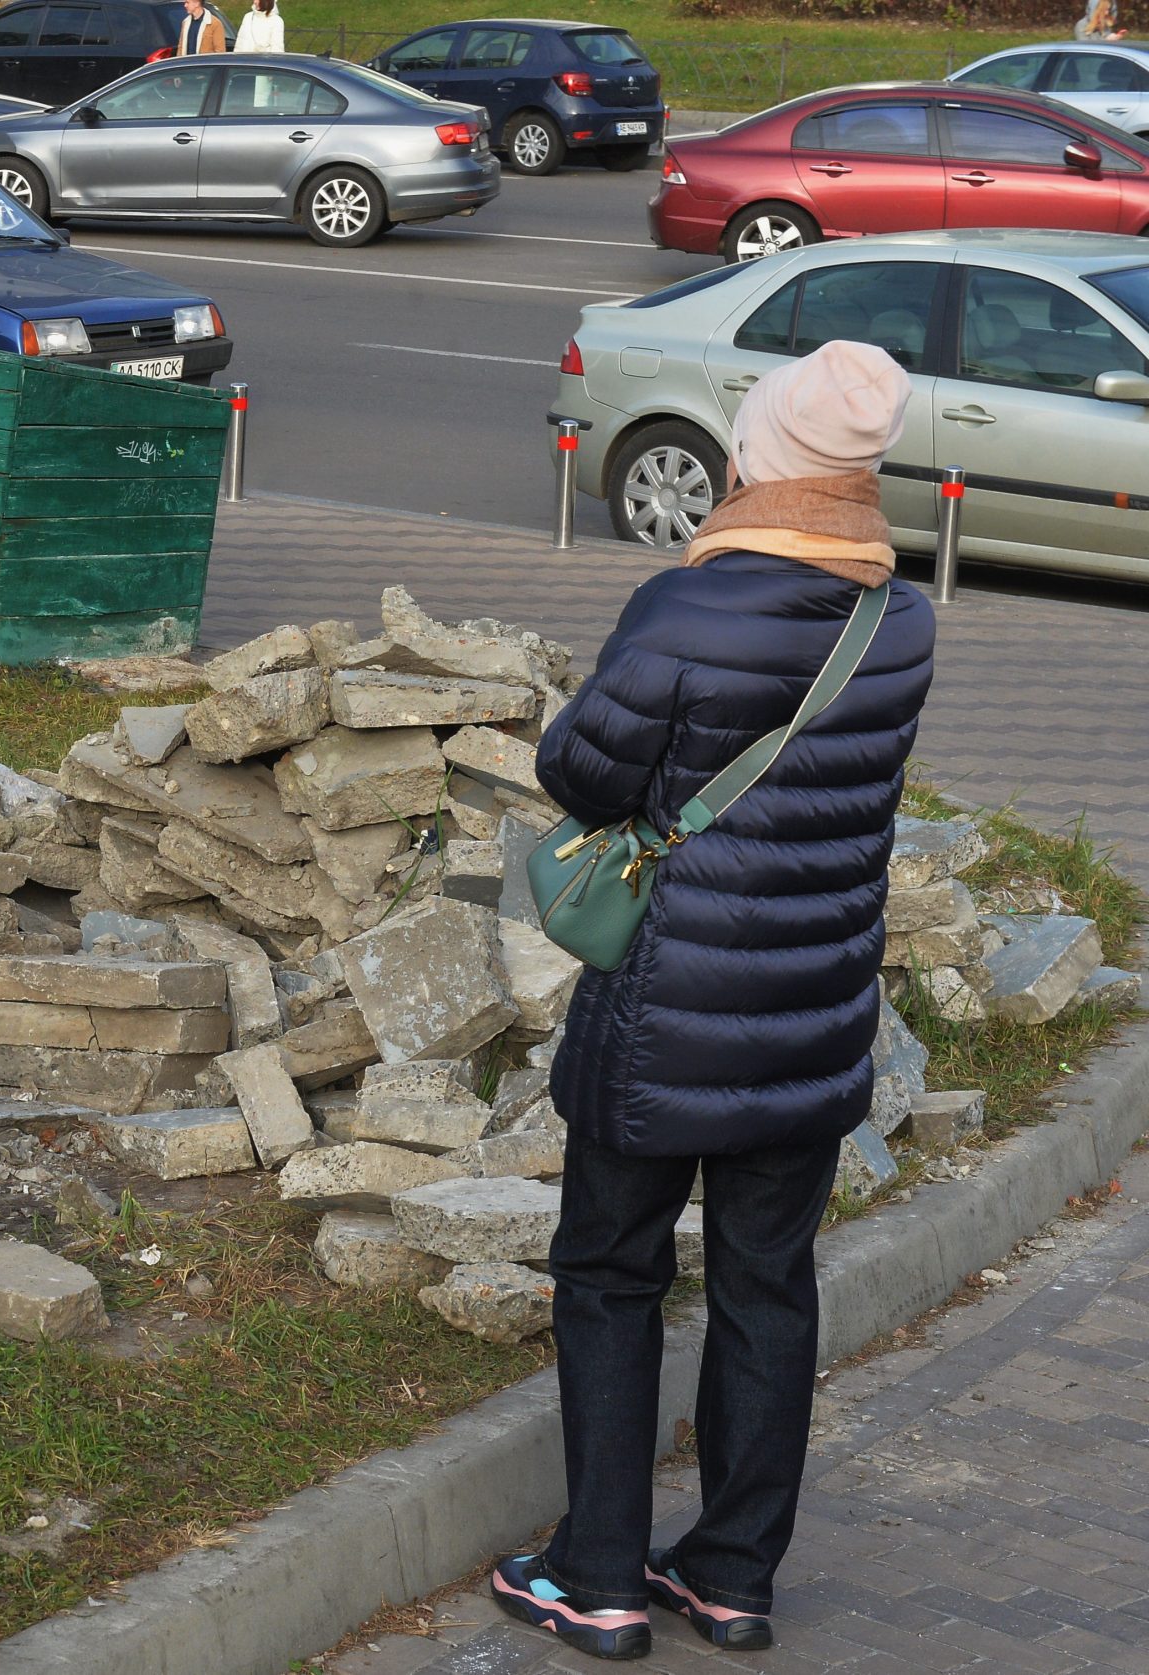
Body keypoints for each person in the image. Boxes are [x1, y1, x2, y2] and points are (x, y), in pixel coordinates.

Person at [488, 340, 937, 1662]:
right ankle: (733, 1577)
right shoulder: (897, 621)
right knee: (766, 1286)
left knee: (613, 1274)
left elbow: (579, 772)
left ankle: (602, 1577)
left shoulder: (687, 609)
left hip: (664, 1018)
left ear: (765, 460)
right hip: (812, 1019)